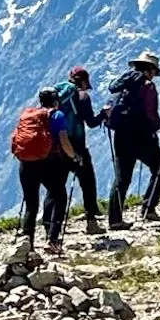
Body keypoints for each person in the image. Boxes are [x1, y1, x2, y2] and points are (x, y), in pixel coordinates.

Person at [106, 51, 160, 226]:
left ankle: (115, 219)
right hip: (142, 136)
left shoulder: (123, 87)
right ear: (151, 69)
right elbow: (151, 112)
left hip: (121, 134)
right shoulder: (147, 86)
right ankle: (148, 208)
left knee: (122, 177)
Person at [12, 87, 78, 257]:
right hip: (49, 163)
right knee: (59, 196)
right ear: (56, 100)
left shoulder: (30, 115)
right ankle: (52, 240)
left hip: (26, 164)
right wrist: (75, 157)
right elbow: (64, 141)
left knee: (31, 206)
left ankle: (26, 246)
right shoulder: (56, 115)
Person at [56, 66, 107, 235]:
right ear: (83, 81)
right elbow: (91, 122)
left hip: (58, 148)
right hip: (77, 147)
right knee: (88, 183)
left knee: (56, 186)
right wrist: (104, 114)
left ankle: (50, 225)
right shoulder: (83, 97)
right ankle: (91, 222)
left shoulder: (58, 96)